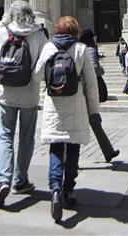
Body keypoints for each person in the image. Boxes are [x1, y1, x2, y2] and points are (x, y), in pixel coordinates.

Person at [35, 15, 100, 223]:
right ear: (75, 31)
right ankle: (69, 190)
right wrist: (94, 109)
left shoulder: (48, 48)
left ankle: (55, 189)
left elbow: (37, 75)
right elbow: (91, 83)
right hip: (76, 104)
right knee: (73, 147)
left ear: (57, 29)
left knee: (56, 147)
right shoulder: (81, 49)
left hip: (54, 105)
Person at [0, 1, 48, 209]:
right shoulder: (39, 35)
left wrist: (4, 21)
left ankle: (3, 180)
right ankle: (21, 180)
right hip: (29, 94)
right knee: (26, 137)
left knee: (5, 136)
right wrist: (34, 79)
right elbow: (44, 63)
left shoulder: (2, 32)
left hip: (5, 92)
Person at [78, 28, 120, 163]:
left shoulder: (79, 49)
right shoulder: (90, 49)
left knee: (95, 123)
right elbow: (94, 69)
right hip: (88, 92)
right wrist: (102, 70)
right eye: (94, 36)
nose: (96, 38)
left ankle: (108, 152)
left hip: (82, 91)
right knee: (93, 122)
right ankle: (70, 159)